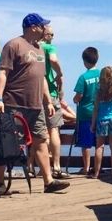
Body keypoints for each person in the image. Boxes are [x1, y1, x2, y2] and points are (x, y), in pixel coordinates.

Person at [0, 13, 69, 195]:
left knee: (41, 141)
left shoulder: (41, 49)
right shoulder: (14, 45)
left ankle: (48, 181)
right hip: (14, 103)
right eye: (43, 26)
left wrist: (48, 101)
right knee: (6, 143)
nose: (45, 29)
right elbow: (3, 73)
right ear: (33, 27)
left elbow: (42, 78)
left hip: (36, 106)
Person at [40, 25, 68, 179]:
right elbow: (53, 60)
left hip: (34, 94)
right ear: (46, 35)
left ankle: (36, 167)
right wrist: (60, 72)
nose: (52, 37)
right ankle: (56, 166)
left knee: (37, 131)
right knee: (53, 129)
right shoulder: (49, 48)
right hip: (50, 93)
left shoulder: (33, 47)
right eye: (51, 34)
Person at [72, 47, 100, 176]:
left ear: (84, 61)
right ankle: (97, 168)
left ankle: (86, 167)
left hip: (85, 114)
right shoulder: (102, 74)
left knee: (86, 143)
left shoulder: (83, 77)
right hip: (100, 113)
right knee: (98, 143)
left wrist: (74, 99)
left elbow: (79, 96)